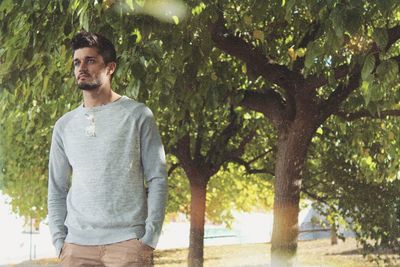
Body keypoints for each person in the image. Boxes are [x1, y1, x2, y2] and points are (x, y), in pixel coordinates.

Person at [47, 31, 168, 267]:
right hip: (76, 248)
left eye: (90, 60)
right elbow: (57, 188)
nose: (82, 67)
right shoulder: (64, 125)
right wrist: (59, 242)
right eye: (77, 62)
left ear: (110, 67)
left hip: (128, 245)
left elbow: (157, 178)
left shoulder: (137, 115)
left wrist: (149, 238)